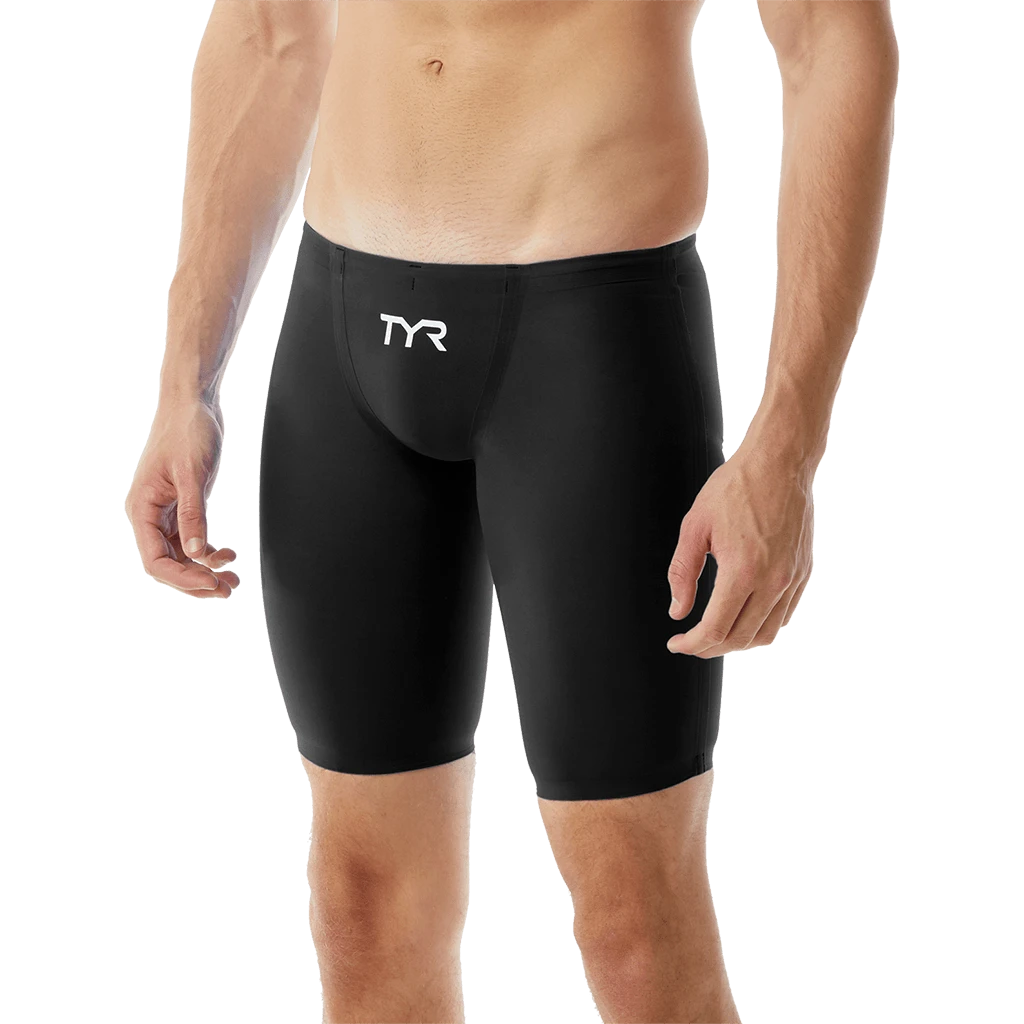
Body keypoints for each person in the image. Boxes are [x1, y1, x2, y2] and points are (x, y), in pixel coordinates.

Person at [125, 1, 898, 1021]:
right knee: (363, 910)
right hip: (343, 336)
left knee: (632, 927)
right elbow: (268, 28)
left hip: (588, 336)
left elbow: (830, 38)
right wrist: (184, 379)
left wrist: (786, 448)